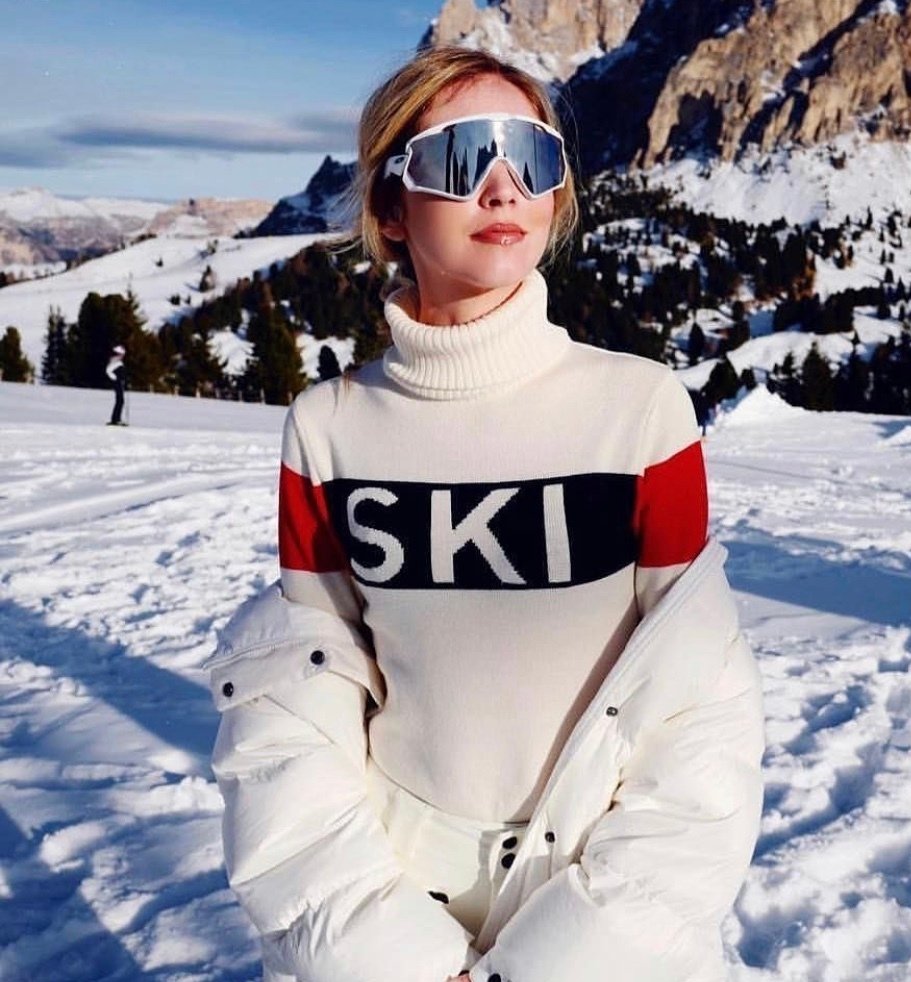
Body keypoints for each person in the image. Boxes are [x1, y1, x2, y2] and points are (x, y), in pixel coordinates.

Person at [208, 45, 765, 982]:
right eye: (463, 157)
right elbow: (298, 706)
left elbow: (696, 705)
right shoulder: (328, 427)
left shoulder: (640, 411)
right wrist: (389, 955)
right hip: (388, 893)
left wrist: (576, 953)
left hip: (595, 902)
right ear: (391, 204)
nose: (503, 187)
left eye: (533, 157)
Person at [106, 344, 126, 425]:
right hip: (117, 383)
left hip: (119, 383)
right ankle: (115, 419)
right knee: (120, 400)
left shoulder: (117, 361)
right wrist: (115, 378)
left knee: (120, 400)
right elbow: (108, 370)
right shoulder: (116, 362)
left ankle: (117, 418)